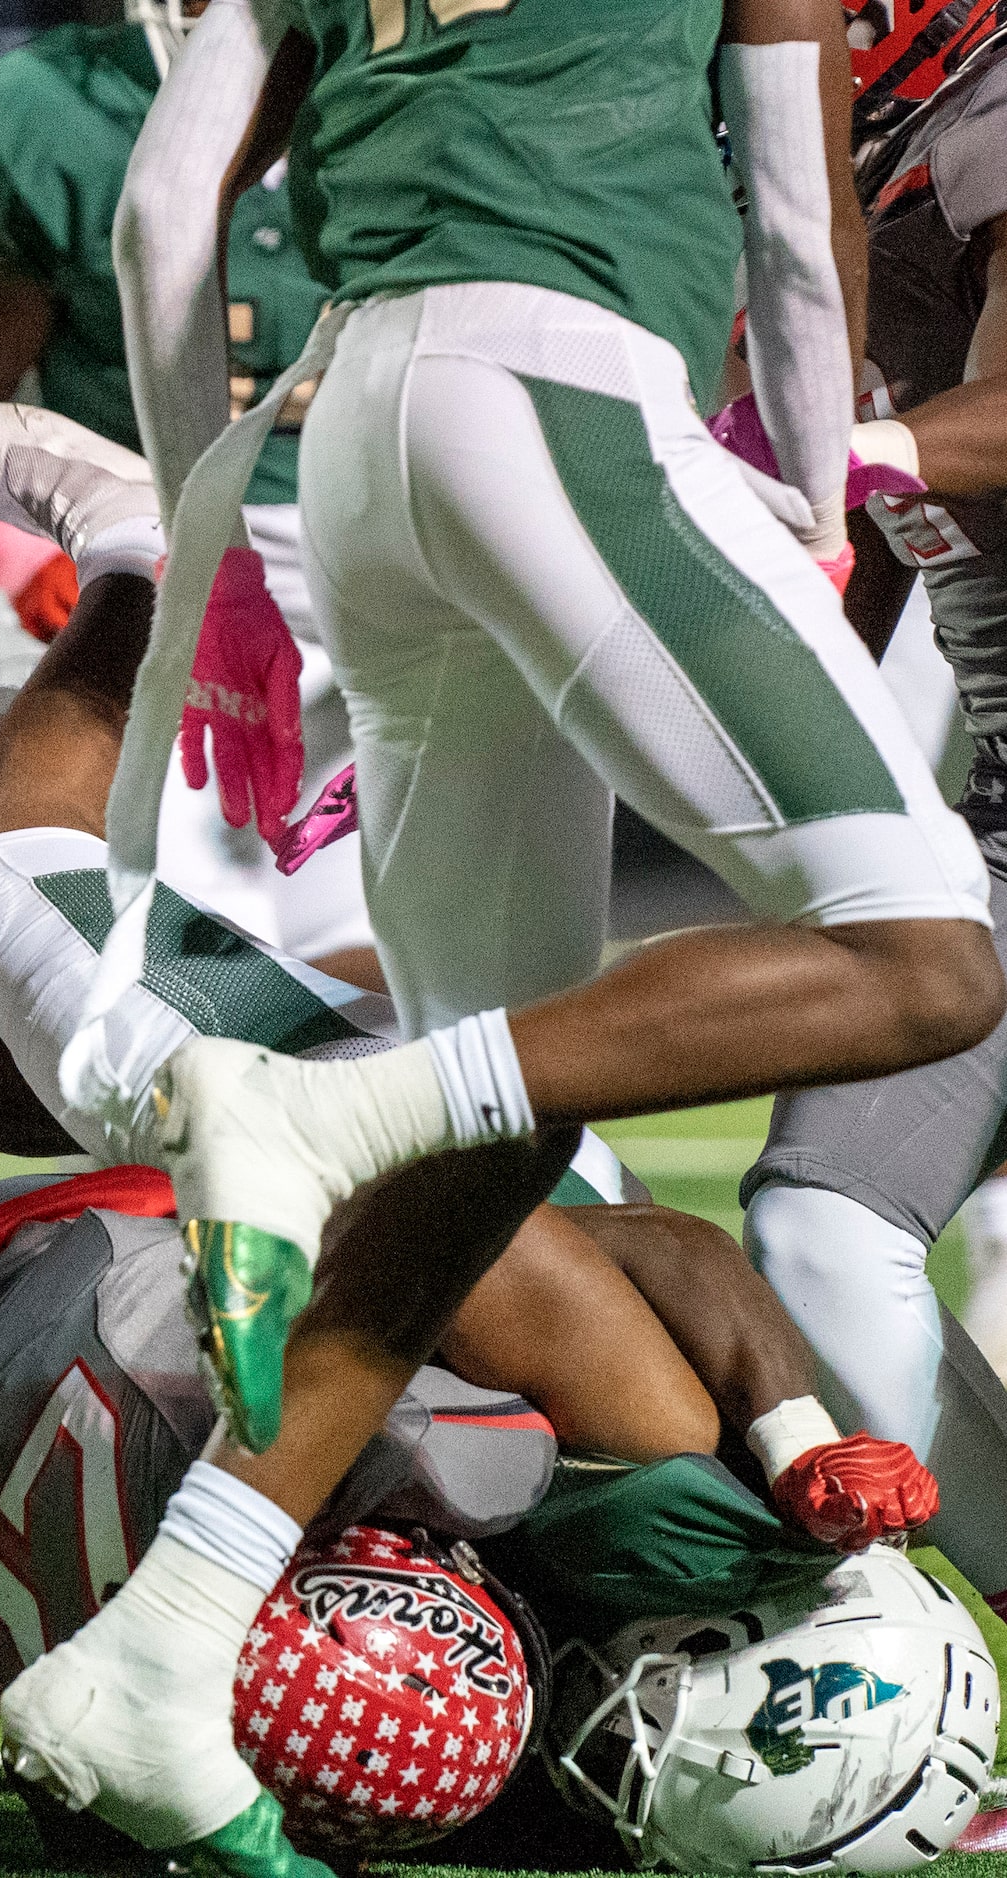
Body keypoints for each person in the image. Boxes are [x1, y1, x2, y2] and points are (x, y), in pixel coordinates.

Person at [0, 0, 1004, 1860]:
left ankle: (167, 1646)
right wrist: (824, 498)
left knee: (483, 1136)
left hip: (350, 435)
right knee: (926, 952)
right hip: (559, 384)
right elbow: (787, 204)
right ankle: (315, 1111)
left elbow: (159, 215)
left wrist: (211, 518)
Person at [0, 1143, 985, 1871]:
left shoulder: (417, 1508)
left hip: (0, 1304)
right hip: (30, 1298)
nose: (604, 1750)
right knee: (576, 1428)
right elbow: (491, 1233)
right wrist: (791, 1432)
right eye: (647, 1735)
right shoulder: (518, 1476)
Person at [0, 0, 372, 984]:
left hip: (387, 569)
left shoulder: (420, 81)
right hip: (146, 569)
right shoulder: (49, 106)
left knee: (410, 971)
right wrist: (16, 529)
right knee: (170, 971)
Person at [735, 0, 1007, 1647]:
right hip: (997, 823)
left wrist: (846, 443)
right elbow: (846, 563)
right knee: (819, 1229)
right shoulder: (871, 156)